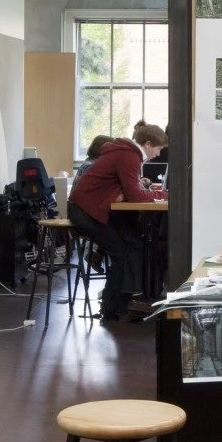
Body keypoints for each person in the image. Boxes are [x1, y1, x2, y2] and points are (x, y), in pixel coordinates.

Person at [67, 120, 167, 321]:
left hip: (89, 207)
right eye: (157, 149)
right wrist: (164, 195)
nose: (158, 154)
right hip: (85, 211)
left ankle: (127, 299)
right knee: (120, 253)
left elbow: (129, 191)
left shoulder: (124, 152)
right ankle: (111, 308)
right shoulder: (129, 156)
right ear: (147, 144)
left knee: (134, 242)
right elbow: (136, 196)